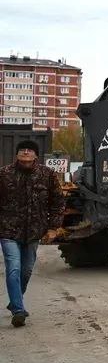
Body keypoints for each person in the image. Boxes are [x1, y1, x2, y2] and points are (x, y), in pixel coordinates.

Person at [0, 140, 65, 327]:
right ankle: (18, 310)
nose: (26, 152)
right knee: (13, 268)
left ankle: (15, 300)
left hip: (34, 231)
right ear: (17, 154)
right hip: (8, 230)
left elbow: (58, 202)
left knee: (26, 270)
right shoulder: (4, 174)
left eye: (30, 150)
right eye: (22, 150)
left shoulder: (47, 174)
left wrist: (53, 227)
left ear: (36, 155)